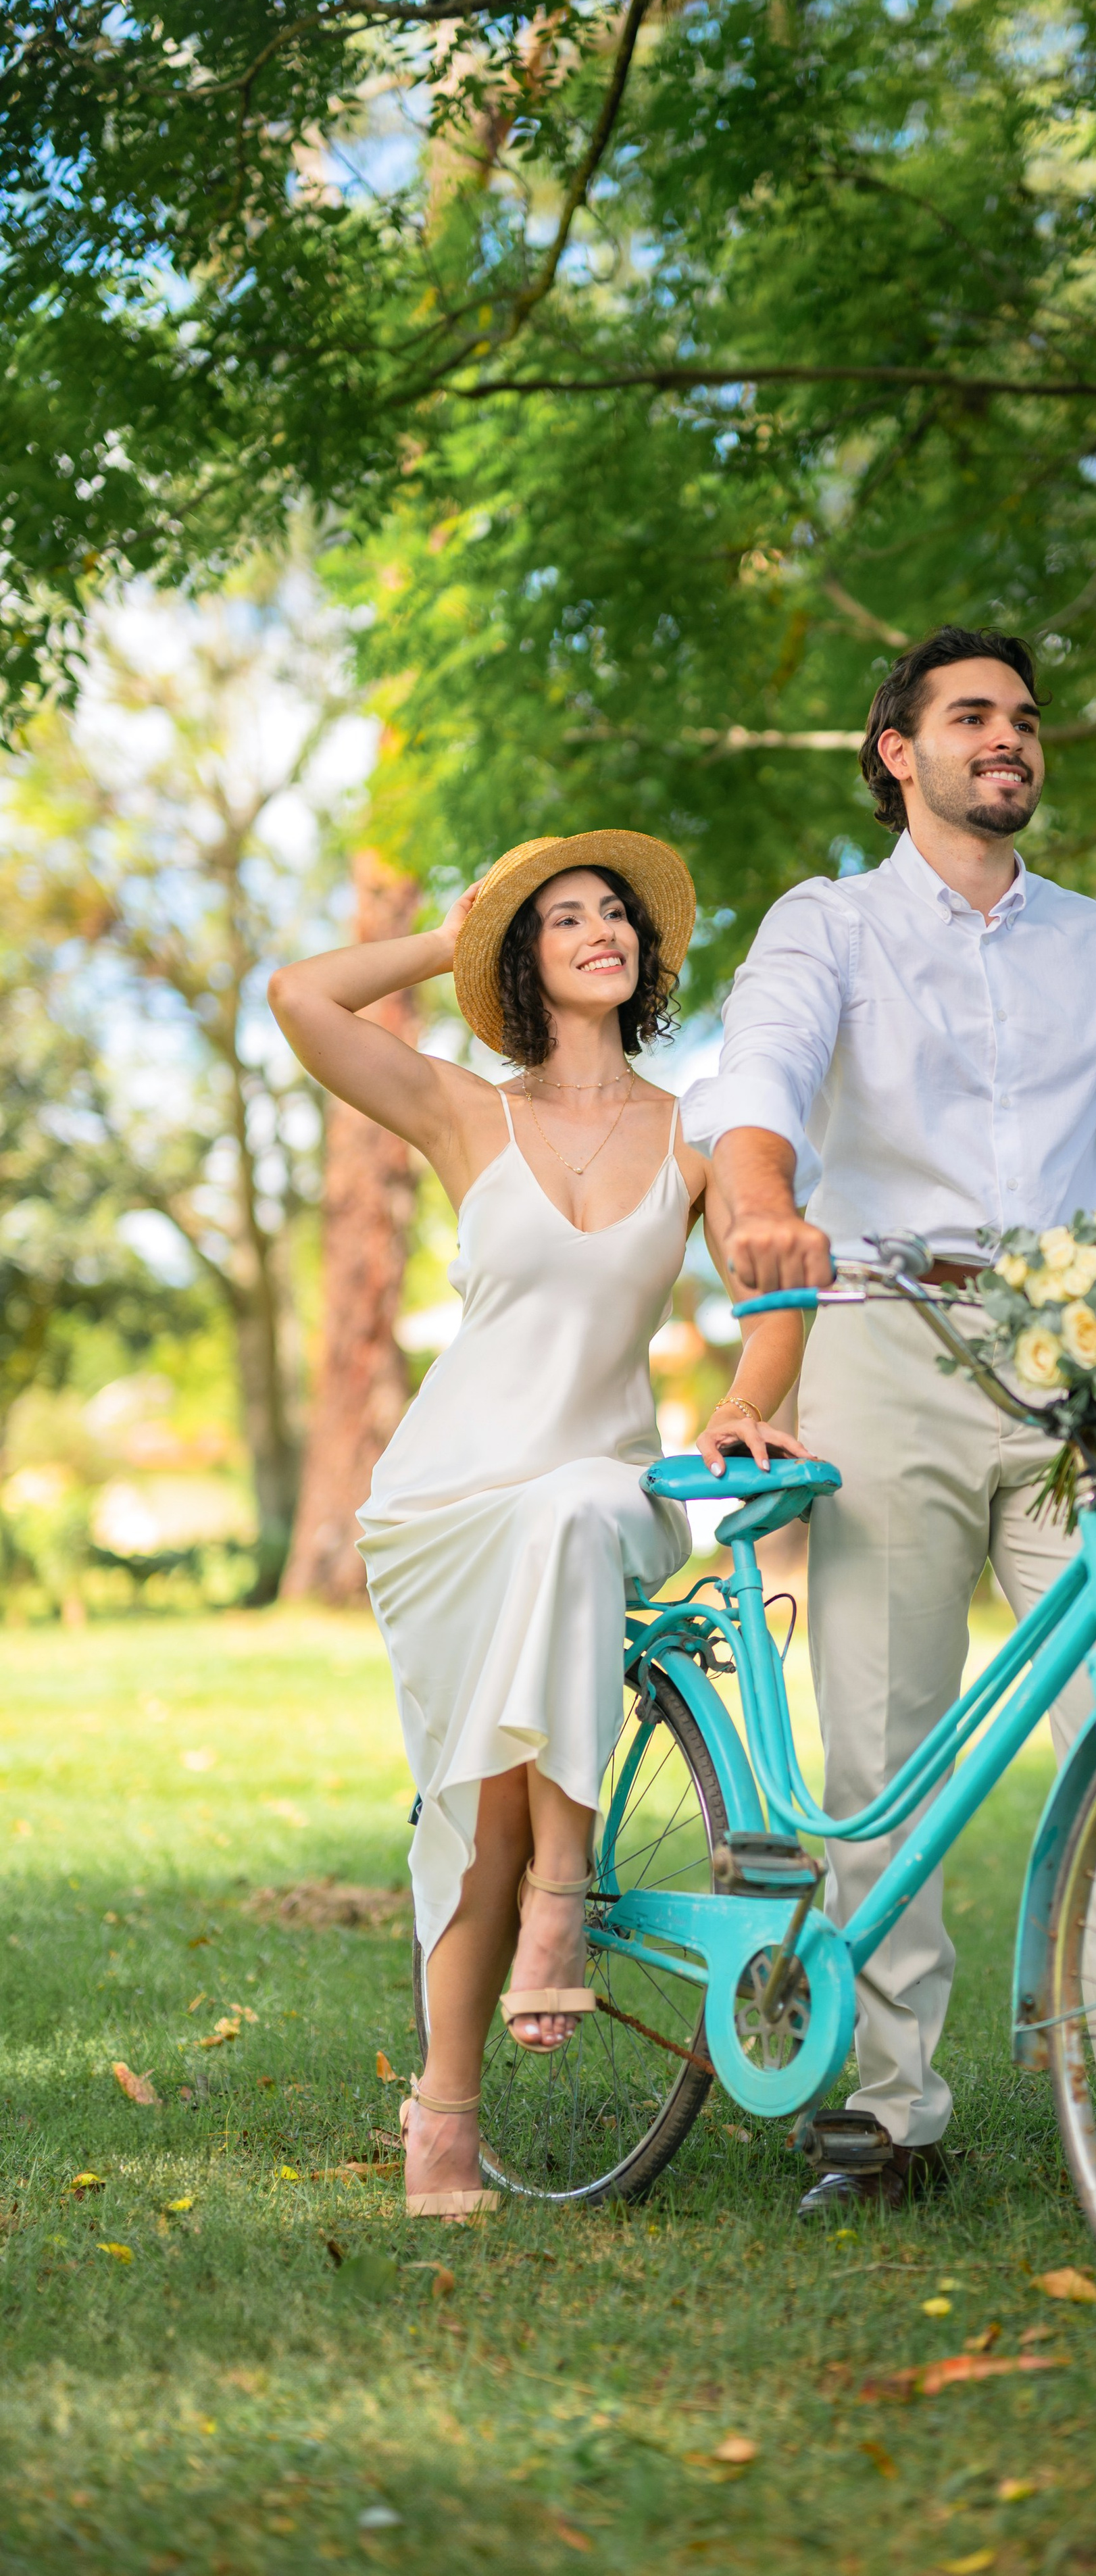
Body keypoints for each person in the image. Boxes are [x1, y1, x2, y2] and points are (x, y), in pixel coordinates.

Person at [684, 626, 1096, 2225]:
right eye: (972, 716)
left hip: (1070, 1354)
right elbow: (756, 1078)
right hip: (880, 1343)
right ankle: (890, 2111)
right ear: (895, 750)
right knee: (884, 1738)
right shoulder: (823, 924)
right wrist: (758, 1207)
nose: (1011, 739)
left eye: (1026, 719)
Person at [269, 833, 807, 2220]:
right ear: (521, 959)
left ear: (644, 956)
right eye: (562, 917)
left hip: (605, 1486)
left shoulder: (695, 1127)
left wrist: (750, 1400)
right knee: (472, 1803)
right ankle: (442, 2121)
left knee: (574, 1516)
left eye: (614, 913)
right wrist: (450, 935)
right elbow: (300, 997)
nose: (598, 929)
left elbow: (777, 1273)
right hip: (446, 1503)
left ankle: (561, 1900)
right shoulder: (464, 1113)